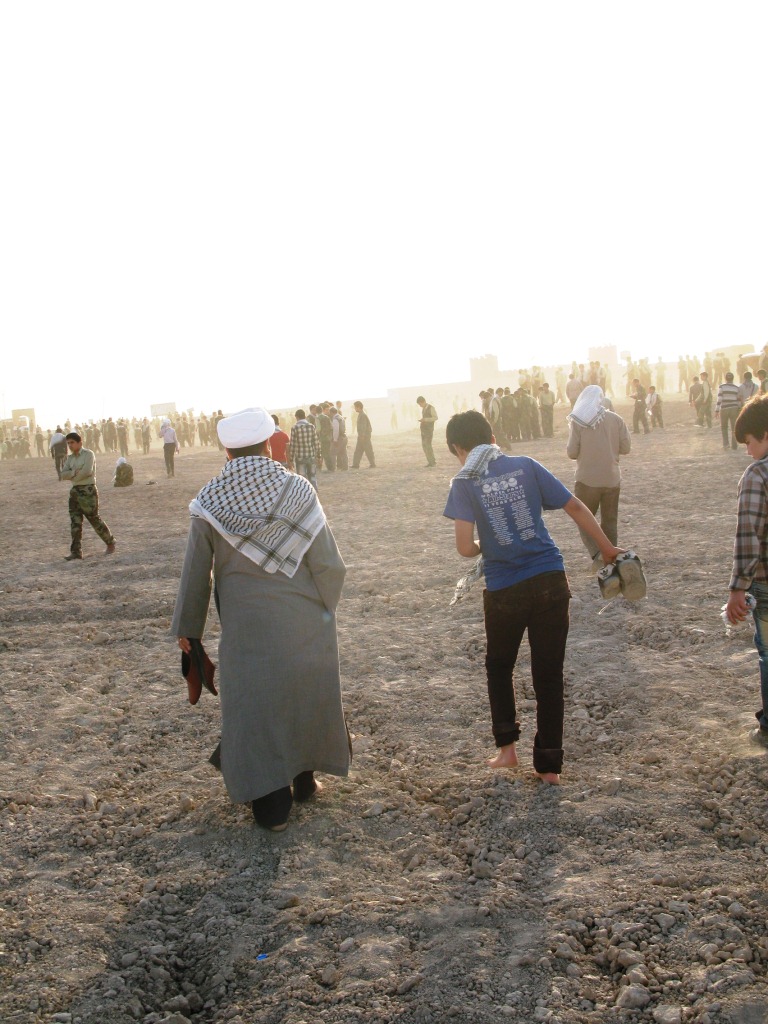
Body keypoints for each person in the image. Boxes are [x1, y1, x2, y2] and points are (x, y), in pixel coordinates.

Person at [171, 407, 350, 830]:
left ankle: (272, 806)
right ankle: (305, 781)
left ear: (227, 452)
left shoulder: (208, 501)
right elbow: (329, 564)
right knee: (304, 691)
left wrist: (188, 631)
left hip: (246, 628)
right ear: (269, 445)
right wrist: (324, 611)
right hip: (305, 618)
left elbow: (196, 573)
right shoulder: (298, 489)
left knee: (257, 706)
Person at [443, 411, 622, 784]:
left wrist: (486, 543)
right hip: (550, 579)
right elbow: (575, 506)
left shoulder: (465, 481)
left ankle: (507, 751)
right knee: (548, 675)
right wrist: (606, 548)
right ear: (492, 437)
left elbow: (463, 548)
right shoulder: (526, 465)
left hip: (504, 589)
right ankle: (549, 767)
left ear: (459, 449)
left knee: (499, 666)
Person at [725, 396, 768, 748]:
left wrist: (737, 588)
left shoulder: (757, 475)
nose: (748, 451)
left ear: (765, 434)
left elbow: (748, 536)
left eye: (750, 442)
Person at [566, 385, 631, 570]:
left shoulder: (579, 421)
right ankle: (612, 558)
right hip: (612, 478)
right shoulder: (616, 419)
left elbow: (572, 452)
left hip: (587, 480)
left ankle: (598, 555)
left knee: (583, 519)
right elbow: (626, 448)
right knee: (610, 521)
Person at [60, 432, 117, 560]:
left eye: (72, 442)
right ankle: (76, 552)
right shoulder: (70, 458)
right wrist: (74, 472)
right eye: (68, 443)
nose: (70, 445)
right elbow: (63, 474)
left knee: (94, 519)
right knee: (75, 522)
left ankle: (110, 542)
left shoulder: (88, 454)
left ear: (80, 442)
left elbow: (87, 471)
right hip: (75, 491)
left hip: (88, 491)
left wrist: (73, 476)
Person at [289, 409, 321, 489]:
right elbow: (316, 442)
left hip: (300, 457)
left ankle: (305, 493)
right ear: (305, 416)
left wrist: (291, 459)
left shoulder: (294, 428)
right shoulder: (311, 426)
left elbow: (292, 444)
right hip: (311, 456)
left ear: (296, 417)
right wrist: (319, 455)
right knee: (312, 476)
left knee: (302, 479)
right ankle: (314, 492)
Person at [715, 372, 741, 450]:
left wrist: (717, 410)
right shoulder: (737, 387)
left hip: (724, 409)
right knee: (734, 427)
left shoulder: (722, 387)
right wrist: (739, 409)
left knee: (724, 427)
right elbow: (738, 400)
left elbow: (719, 398)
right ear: (733, 378)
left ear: (725, 378)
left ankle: (726, 444)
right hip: (734, 408)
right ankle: (734, 445)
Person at [351, 401, 376, 468]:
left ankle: (372, 464)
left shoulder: (362, 415)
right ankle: (355, 465)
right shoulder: (361, 414)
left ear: (358, 407)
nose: (355, 408)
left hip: (364, 436)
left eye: (355, 407)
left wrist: (362, 436)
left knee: (368, 450)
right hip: (362, 436)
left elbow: (363, 426)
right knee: (358, 451)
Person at [417, 396, 438, 467]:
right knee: (424, 446)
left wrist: (425, 419)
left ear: (423, 402)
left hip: (429, 430)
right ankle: (430, 461)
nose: (420, 406)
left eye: (420, 404)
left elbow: (435, 417)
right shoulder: (424, 409)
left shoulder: (431, 408)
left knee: (428, 445)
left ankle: (432, 462)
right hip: (424, 430)